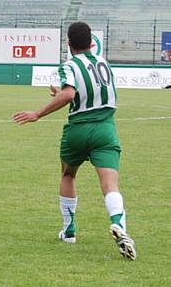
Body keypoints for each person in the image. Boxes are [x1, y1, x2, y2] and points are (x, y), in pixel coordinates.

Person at [13, 21, 137, 261]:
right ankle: (119, 225)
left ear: (68, 43)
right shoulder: (103, 63)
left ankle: (69, 231)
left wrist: (37, 113)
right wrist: (60, 95)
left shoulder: (69, 65)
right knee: (110, 184)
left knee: (68, 175)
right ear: (92, 42)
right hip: (105, 129)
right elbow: (95, 92)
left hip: (78, 130)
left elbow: (70, 93)